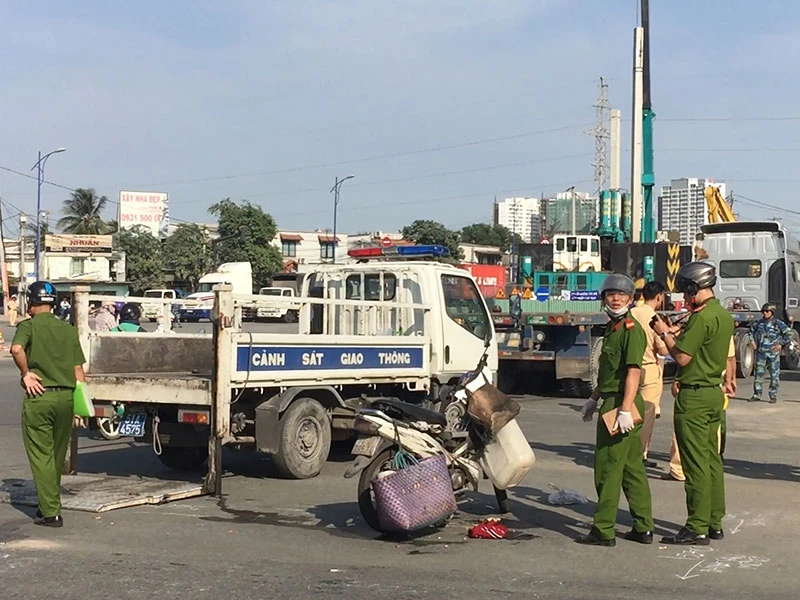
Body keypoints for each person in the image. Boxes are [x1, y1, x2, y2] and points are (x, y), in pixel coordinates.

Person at [652, 262, 734, 545]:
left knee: (695, 462)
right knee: (712, 461)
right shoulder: (722, 315)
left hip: (695, 397)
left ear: (694, 287)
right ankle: (714, 522)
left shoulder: (701, 318)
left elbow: (684, 358)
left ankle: (696, 526)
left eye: (686, 290)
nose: (685, 297)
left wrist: (664, 333)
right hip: (714, 392)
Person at [577, 273, 654, 547]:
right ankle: (643, 527)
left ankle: (603, 530)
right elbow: (610, 372)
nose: (616, 298)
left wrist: (623, 409)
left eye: (621, 295)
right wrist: (593, 398)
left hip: (621, 403)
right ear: (604, 298)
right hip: (613, 399)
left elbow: (633, 372)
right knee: (632, 468)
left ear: (631, 299)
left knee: (608, 468)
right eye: (611, 294)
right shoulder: (615, 328)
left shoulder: (631, 330)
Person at [9, 281, 86, 527]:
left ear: (31, 302)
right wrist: (81, 405)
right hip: (66, 398)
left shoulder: (28, 326)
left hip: (39, 396)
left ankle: (52, 513)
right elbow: (78, 370)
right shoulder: (67, 329)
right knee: (55, 454)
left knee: (41, 453)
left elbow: (16, 348)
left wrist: (26, 373)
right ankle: (46, 506)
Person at [664, 335, 737, 481]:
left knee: (684, 428)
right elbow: (730, 358)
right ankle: (709, 464)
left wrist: (665, 334)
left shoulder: (697, 324)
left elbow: (683, 358)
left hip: (693, 384)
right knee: (712, 430)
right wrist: (730, 380)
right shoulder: (723, 326)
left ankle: (679, 469)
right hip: (715, 385)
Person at [629, 281, 669, 468]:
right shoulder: (654, 318)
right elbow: (662, 350)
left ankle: (626, 451)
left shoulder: (631, 313)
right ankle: (640, 455)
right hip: (648, 369)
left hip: (630, 368)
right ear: (659, 296)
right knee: (647, 414)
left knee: (629, 411)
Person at [749, 303, 792, 404]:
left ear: (772, 312)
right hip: (761, 352)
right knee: (758, 375)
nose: (765, 313)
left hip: (773, 353)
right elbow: (750, 332)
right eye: (763, 312)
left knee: (774, 375)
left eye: (767, 311)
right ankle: (757, 394)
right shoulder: (758, 323)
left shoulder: (778, 323)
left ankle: (773, 395)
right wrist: (752, 342)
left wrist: (780, 344)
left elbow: (789, 333)